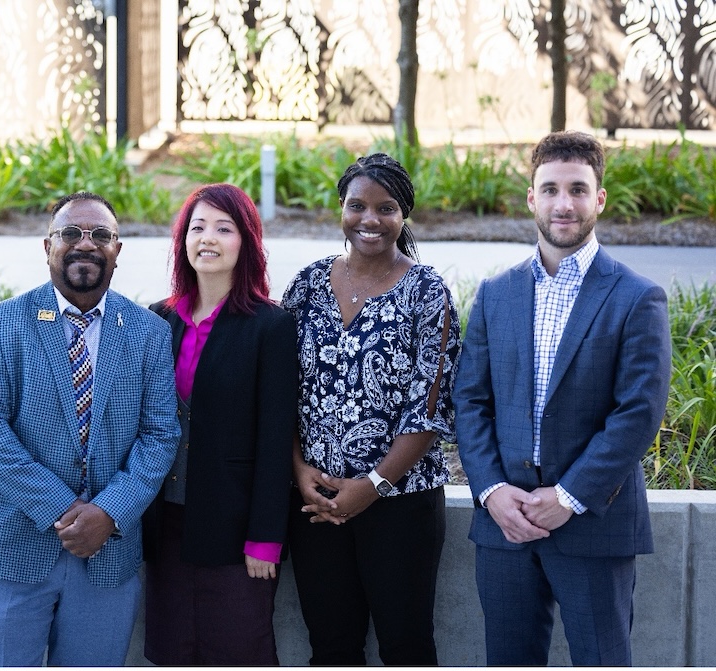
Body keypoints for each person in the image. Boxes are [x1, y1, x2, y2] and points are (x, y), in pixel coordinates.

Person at [453, 130, 672, 665]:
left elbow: (638, 413)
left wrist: (568, 496)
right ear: (532, 198)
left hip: (593, 525)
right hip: (504, 527)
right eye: (550, 189)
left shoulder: (637, 297)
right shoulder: (495, 293)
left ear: (599, 199)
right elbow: (470, 400)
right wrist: (491, 492)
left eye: (578, 189)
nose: (563, 203)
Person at [0, 191, 181, 667]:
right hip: (11, 548)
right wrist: (63, 508)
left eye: (101, 235)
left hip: (107, 555)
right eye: (71, 233)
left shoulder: (149, 332)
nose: (86, 244)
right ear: (47, 246)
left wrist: (108, 513)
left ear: (118, 250)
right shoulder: (0, 324)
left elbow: (160, 434)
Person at [281, 153, 461, 665]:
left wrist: (373, 486)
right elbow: (281, 390)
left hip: (400, 504)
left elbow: (430, 408)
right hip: (316, 504)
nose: (369, 220)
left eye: (386, 208)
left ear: (404, 215)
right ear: (341, 209)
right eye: (357, 205)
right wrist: (298, 470)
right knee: (332, 648)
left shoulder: (427, 292)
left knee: (406, 648)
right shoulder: (309, 285)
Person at [143, 183, 298, 665]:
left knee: (237, 649)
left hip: (235, 530)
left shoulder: (270, 326)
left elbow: (276, 440)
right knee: (172, 650)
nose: (207, 238)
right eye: (197, 227)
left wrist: (266, 538)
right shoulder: (158, 319)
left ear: (245, 242)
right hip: (164, 524)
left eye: (223, 228)